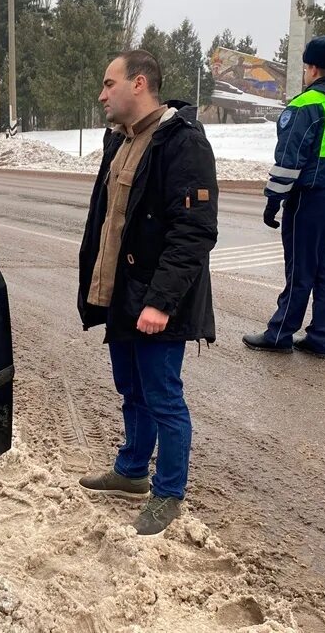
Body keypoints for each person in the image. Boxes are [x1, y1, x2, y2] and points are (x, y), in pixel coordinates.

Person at [77, 50, 218, 537]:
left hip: (157, 298)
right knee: (131, 390)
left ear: (139, 84)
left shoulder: (182, 144)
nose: (102, 94)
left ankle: (168, 492)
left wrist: (161, 302)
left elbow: (194, 232)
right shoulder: (118, 140)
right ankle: (133, 471)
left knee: (163, 397)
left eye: (108, 83)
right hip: (122, 292)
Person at [242, 36, 325, 360]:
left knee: (300, 268)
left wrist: (273, 200)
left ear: (312, 68)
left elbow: (290, 159)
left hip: (309, 200)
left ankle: (280, 333)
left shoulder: (306, 105)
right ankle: (321, 338)